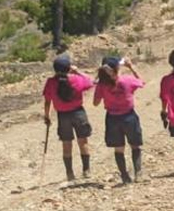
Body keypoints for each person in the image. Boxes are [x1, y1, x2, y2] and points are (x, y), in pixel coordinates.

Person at [41, 54, 96, 181]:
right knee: (83, 142)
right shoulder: (76, 79)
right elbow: (91, 82)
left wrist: (47, 116)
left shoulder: (50, 83)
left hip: (62, 115)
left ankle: (69, 173)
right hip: (78, 113)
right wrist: (78, 71)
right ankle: (86, 170)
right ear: (68, 67)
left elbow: (47, 101)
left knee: (66, 144)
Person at [93, 56, 145, 184]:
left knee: (118, 148)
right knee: (135, 144)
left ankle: (124, 176)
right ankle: (138, 173)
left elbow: (95, 102)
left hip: (112, 118)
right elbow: (141, 82)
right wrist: (131, 67)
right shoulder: (126, 80)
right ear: (117, 68)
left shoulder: (102, 85)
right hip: (129, 116)